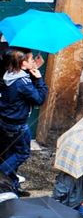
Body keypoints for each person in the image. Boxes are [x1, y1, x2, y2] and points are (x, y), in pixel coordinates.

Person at [0, 48, 48, 196]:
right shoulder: (22, 83)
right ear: (22, 63)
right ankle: (1, 176)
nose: (33, 60)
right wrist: (39, 79)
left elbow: (21, 87)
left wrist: (31, 73)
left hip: (5, 122)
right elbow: (39, 99)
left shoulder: (9, 75)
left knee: (9, 155)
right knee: (22, 153)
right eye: (30, 59)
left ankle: (11, 187)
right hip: (17, 125)